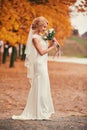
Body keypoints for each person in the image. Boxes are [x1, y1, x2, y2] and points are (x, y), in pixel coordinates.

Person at [12, 16, 56, 120]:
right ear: (39, 26)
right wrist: (52, 48)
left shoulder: (41, 36)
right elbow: (41, 52)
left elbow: (44, 47)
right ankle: (37, 111)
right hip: (39, 64)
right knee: (40, 85)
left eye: (46, 27)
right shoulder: (34, 38)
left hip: (43, 64)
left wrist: (52, 41)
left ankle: (42, 109)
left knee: (44, 85)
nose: (45, 29)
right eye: (43, 27)